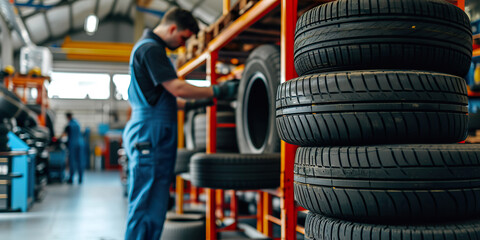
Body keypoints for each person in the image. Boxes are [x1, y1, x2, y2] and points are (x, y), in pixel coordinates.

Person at [122, 7, 239, 240]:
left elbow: (169, 101)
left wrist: (204, 102)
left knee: (153, 201)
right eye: (183, 38)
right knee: (146, 203)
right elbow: (178, 88)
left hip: (150, 130)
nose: (183, 44)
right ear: (172, 28)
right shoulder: (151, 49)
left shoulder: (148, 49)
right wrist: (219, 89)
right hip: (150, 133)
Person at [62, 112, 84, 184]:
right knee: (80, 161)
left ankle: (71, 178)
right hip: (80, 144)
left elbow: (63, 134)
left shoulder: (69, 125)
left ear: (68, 117)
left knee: (72, 161)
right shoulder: (77, 123)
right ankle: (80, 178)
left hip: (73, 145)